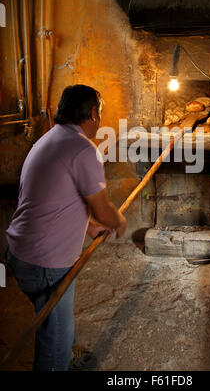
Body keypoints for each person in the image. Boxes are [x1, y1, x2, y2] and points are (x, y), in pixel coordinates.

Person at [6, 84, 127, 371]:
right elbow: (102, 207)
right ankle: (59, 362)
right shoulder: (84, 150)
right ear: (94, 113)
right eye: (101, 113)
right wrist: (118, 220)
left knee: (57, 323)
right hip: (45, 263)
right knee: (55, 343)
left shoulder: (50, 139)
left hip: (21, 252)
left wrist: (89, 228)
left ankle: (65, 356)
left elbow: (55, 199)